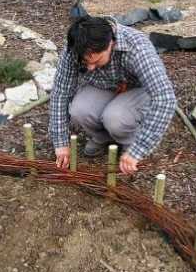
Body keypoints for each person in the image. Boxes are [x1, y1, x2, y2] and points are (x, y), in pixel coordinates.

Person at [49, 15, 177, 174]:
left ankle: (131, 140)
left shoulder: (137, 48)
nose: (89, 68)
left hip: (138, 89)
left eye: (96, 61)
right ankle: (104, 137)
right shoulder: (75, 48)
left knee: (115, 118)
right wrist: (60, 142)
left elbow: (165, 98)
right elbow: (60, 92)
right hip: (105, 85)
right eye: (85, 62)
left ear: (111, 44)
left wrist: (139, 148)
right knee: (79, 110)